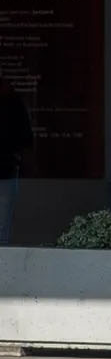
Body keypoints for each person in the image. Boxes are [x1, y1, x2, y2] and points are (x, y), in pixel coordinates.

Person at [0, 82, 30, 245]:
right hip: (7, 169)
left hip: (7, 169)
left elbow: (25, 138)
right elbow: (26, 139)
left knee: (3, 223)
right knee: (3, 224)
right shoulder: (14, 104)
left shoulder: (13, 105)